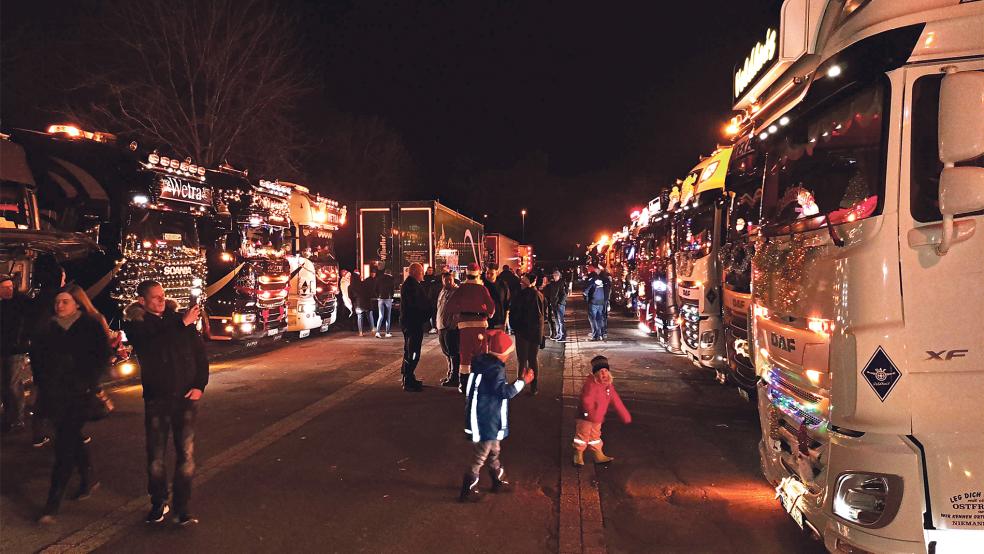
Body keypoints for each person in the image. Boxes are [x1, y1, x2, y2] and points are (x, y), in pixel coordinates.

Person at [123, 280, 209, 526]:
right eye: (155, 297)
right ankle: (158, 501)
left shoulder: (176, 320)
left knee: (186, 454)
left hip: (185, 397)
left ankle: (182, 507)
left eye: (163, 296)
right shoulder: (137, 325)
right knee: (156, 456)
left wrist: (199, 385)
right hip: (157, 398)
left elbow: (199, 354)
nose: (161, 300)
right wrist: (182, 324)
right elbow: (153, 349)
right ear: (142, 301)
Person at [31, 285, 111, 523]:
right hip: (52, 394)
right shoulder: (46, 328)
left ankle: (52, 503)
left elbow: (100, 357)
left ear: (77, 303)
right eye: (57, 301)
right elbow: (38, 360)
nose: (60, 306)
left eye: (65, 301)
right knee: (70, 436)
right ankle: (88, 477)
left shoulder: (89, 326)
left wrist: (88, 381)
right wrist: (41, 385)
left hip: (78, 394)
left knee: (64, 445)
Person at [459, 330, 534, 502]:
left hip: (487, 416)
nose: (509, 357)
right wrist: (523, 381)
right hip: (487, 418)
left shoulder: (485, 364)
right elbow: (504, 392)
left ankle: (497, 479)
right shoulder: (494, 370)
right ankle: (468, 488)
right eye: (508, 354)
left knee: (494, 450)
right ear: (502, 354)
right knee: (481, 454)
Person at [445, 263, 495, 393]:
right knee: (481, 354)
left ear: (466, 274)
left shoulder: (461, 288)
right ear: (478, 275)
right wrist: (486, 313)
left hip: (465, 326)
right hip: (480, 326)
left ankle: (464, 384)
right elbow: (491, 309)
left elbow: (450, 307)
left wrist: (460, 311)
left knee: (465, 354)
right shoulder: (483, 289)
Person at [572, 355, 631, 467]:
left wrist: (624, 414)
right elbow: (586, 400)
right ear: (595, 373)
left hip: (598, 417)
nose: (603, 373)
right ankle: (578, 454)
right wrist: (590, 413)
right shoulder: (591, 384)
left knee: (595, 435)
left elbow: (616, 400)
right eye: (600, 371)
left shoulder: (608, 386)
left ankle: (598, 454)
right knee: (582, 435)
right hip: (585, 416)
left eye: (605, 371)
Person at [1, 274, 30, 433]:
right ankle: (8, 417)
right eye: (4, 288)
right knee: (4, 385)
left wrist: (23, 341)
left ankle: (18, 419)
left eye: (10, 287)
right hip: (3, 349)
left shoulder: (20, 302)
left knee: (13, 384)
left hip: (15, 349)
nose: (8, 290)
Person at [509, 276, 545, 395]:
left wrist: (515, 326)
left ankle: (519, 383)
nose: (521, 283)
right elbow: (542, 315)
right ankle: (534, 387)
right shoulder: (539, 295)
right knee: (532, 358)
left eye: (523, 281)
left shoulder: (523, 295)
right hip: (535, 332)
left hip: (523, 331)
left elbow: (516, 313)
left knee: (522, 359)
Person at [398, 263, 431, 392]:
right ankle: (408, 378)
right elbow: (416, 305)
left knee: (409, 350)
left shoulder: (410, 284)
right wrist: (426, 313)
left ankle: (408, 376)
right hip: (413, 323)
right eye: (421, 271)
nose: (423, 273)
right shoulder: (412, 286)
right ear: (416, 272)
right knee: (413, 352)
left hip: (411, 323)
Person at [436, 272, 461, 387]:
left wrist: (453, 323)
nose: (448, 282)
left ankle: (454, 376)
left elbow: (458, 310)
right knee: (446, 352)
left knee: (453, 352)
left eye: (450, 280)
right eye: (446, 280)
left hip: (450, 327)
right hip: (441, 326)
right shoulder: (442, 291)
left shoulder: (456, 292)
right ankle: (449, 374)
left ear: (453, 279)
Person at [583, 266, 608, 341]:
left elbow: (585, 291)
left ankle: (595, 336)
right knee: (599, 318)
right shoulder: (601, 279)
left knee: (592, 319)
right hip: (601, 301)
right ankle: (601, 334)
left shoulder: (591, 279)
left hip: (593, 302)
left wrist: (586, 299)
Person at [543, 270, 567, 341]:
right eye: (553, 275)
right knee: (556, 319)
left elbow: (564, 294)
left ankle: (562, 335)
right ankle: (558, 334)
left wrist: (560, 302)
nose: (554, 277)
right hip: (554, 304)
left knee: (560, 320)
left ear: (558, 276)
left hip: (559, 305)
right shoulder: (553, 284)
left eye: (555, 275)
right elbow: (550, 293)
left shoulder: (561, 283)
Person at [350, 271, 375, 336]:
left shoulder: (350, 287)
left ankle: (360, 332)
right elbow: (369, 292)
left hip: (358, 304)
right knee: (370, 315)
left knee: (359, 317)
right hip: (367, 302)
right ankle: (372, 329)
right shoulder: (363, 284)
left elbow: (351, 297)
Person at [375, 266, 395, 338]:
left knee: (381, 316)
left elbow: (375, 289)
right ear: (389, 273)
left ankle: (377, 332)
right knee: (388, 316)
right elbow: (392, 289)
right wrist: (391, 297)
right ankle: (387, 332)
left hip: (380, 299)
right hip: (388, 299)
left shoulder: (378, 279)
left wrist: (378, 296)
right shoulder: (391, 279)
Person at [423, 266, 441, 334]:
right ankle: (428, 327)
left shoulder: (435, 278)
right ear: (427, 271)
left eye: (431, 270)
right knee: (427, 313)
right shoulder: (424, 278)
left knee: (434, 313)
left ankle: (434, 327)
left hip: (433, 298)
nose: (430, 271)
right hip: (426, 297)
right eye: (429, 270)